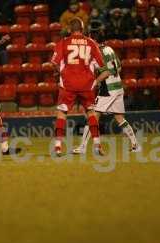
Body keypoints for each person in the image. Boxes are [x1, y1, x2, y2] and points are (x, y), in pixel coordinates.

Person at [73, 32, 141, 154]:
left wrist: (95, 82)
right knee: (120, 118)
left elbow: (106, 72)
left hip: (108, 89)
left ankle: (82, 147)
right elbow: (119, 67)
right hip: (118, 87)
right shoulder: (109, 49)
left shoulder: (99, 52)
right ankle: (135, 145)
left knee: (92, 117)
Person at [51, 18, 109, 156]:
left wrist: (61, 73)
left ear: (70, 29)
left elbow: (54, 62)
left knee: (62, 112)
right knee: (91, 112)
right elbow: (102, 66)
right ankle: (97, 145)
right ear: (83, 29)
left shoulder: (63, 42)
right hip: (87, 84)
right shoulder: (91, 43)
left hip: (68, 83)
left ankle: (58, 147)